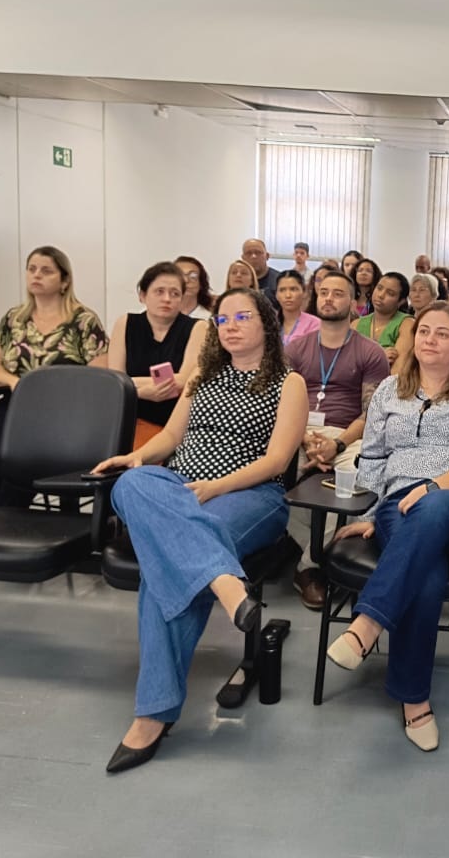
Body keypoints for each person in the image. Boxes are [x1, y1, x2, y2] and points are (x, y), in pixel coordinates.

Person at [92, 286, 308, 774]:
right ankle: (224, 583)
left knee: (166, 564)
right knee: (131, 482)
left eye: (242, 317)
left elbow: (278, 461)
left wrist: (215, 487)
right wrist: (136, 456)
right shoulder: (202, 375)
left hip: (250, 495)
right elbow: (171, 437)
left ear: (266, 324)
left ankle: (153, 713)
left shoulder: (288, 381)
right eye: (222, 319)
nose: (230, 326)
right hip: (181, 490)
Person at [325, 302, 449, 752]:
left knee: (433, 506)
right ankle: (414, 700)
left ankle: (368, 624)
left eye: (442, 333)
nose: (430, 339)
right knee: (426, 574)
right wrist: (367, 515)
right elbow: (372, 458)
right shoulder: (390, 391)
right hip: (399, 506)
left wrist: (434, 487)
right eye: (424, 330)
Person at [284, 271, 391, 608]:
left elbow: (371, 414)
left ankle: (308, 565)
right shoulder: (296, 349)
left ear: (354, 303)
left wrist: (337, 444)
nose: (329, 298)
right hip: (298, 432)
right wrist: (303, 437)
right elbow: (281, 403)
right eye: (324, 292)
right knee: (267, 477)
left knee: (364, 479)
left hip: (348, 435)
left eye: (338, 293)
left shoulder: (370, 352)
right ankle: (325, 556)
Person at [0, 245, 109, 501]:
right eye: (32, 269)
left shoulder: (83, 320)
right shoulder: (14, 318)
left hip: (64, 407)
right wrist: (14, 381)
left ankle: (10, 505)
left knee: (23, 444)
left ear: (64, 280)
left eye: (46, 271)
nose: (36, 275)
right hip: (18, 402)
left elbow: (99, 375)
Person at [107, 262, 209, 449]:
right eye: (159, 292)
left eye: (175, 293)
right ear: (143, 295)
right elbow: (114, 381)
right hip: (132, 418)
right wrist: (141, 392)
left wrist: (131, 384)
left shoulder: (198, 327)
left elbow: (185, 380)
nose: (167, 299)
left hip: (177, 422)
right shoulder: (125, 323)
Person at [354, 272, 413, 371]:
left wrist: (362, 361)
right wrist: (378, 358)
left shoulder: (407, 324)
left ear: (401, 301)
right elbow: (346, 366)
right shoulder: (355, 324)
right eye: (379, 288)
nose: (381, 295)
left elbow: (397, 372)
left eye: (390, 293)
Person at [275, 269, 321, 351]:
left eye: (293, 289)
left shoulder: (314, 324)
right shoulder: (269, 322)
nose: (288, 295)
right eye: (282, 290)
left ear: (304, 292)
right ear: (276, 295)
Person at [241, 238, 280, 303]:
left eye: (258, 252)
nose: (253, 256)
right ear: (243, 258)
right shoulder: (239, 281)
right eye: (248, 253)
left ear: (267, 256)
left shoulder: (279, 280)